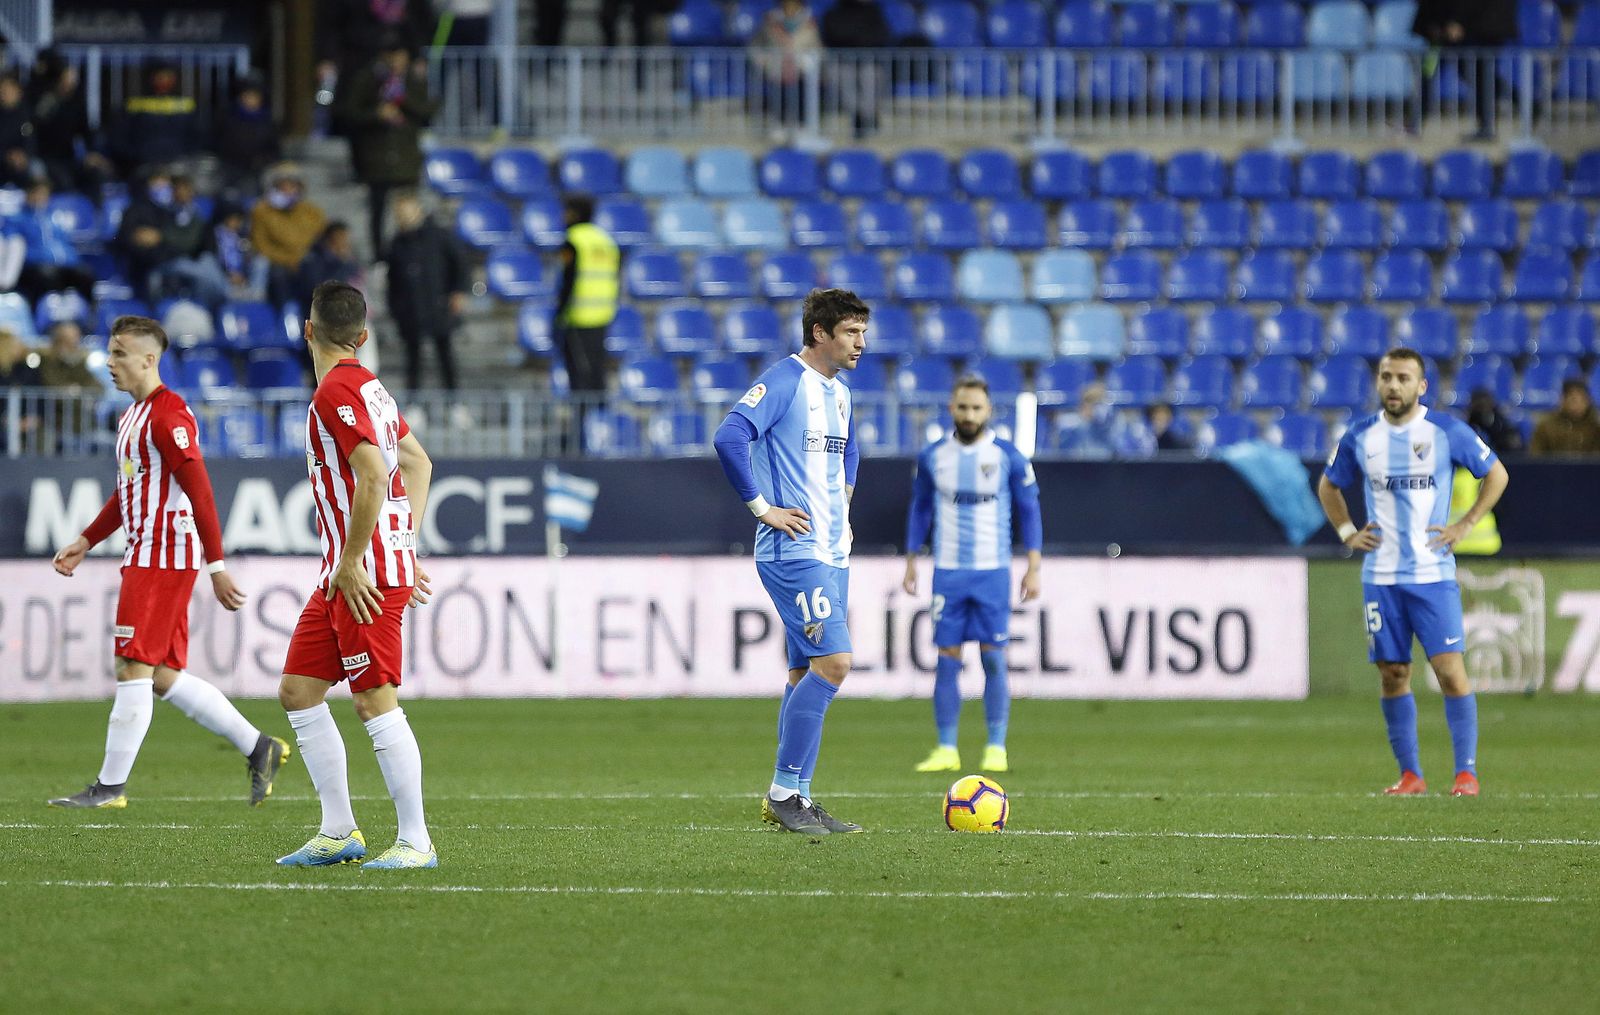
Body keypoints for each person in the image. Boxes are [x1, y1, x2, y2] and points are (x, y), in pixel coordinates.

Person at [45, 315, 291, 809]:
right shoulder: (131, 416)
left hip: (161, 555)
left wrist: (216, 565)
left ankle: (110, 788)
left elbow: (199, 489)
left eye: (118, 354)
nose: (110, 363)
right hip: (145, 552)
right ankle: (259, 746)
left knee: (130, 664)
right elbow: (128, 492)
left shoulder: (169, 414)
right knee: (158, 675)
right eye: (110, 353)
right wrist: (87, 539)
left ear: (148, 360)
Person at [275, 280, 438, 869]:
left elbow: (373, 477)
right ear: (363, 337)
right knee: (298, 689)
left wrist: (353, 559)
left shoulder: (335, 393)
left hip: (359, 573)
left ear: (308, 331)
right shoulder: (373, 389)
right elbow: (418, 463)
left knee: (374, 700)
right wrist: (406, 541)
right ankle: (339, 831)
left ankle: (417, 841)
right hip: (350, 570)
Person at [1316, 348, 1510, 797]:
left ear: (1421, 386)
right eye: (1386, 377)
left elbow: (1496, 474)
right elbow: (1329, 485)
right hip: (1380, 577)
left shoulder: (1446, 431)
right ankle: (1411, 776)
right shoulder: (1361, 435)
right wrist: (1347, 530)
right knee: (1392, 674)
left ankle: (1466, 773)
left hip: (1432, 575)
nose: (1393, 385)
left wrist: (1464, 523)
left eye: (1403, 378)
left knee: (1449, 672)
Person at [712, 287, 868, 837]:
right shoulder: (784, 381)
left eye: (863, 333)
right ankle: (783, 792)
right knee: (836, 664)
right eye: (851, 333)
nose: (861, 344)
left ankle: (797, 794)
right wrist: (762, 508)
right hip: (793, 549)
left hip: (832, 550)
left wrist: (843, 499)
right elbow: (730, 436)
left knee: (805, 670)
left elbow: (850, 448)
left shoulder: (840, 392)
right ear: (819, 333)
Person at [902, 376, 1043, 774]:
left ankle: (996, 746)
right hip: (948, 572)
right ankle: (947, 748)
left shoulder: (1008, 457)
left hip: (992, 573)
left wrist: (1033, 566)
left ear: (988, 411)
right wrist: (912, 558)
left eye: (976, 408)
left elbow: (1030, 511)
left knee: (993, 658)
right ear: (951, 409)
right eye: (962, 407)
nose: (969, 415)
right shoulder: (933, 456)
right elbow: (921, 508)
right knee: (947, 659)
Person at [336, 36, 437, 257]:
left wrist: (404, 100)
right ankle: (379, 255)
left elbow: (428, 111)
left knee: (408, 209)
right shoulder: (367, 79)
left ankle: (410, 251)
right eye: (392, 56)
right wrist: (376, 114)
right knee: (378, 211)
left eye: (401, 56)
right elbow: (349, 112)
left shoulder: (413, 80)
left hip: (406, 158)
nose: (396, 61)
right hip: (376, 159)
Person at [385, 192, 468, 393]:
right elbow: (392, 279)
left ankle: (454, 403)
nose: (403, 217)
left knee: (445, 355)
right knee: (413, 358)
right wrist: (396, 308)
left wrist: (458, 291)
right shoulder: (397, 243)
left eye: (406, 212)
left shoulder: (439, 236)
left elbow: (460, 263)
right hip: (410, 310)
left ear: (418, 210)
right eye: (399, 213)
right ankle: (414, 404)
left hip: (439, 306)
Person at [555, 194, 620, 447]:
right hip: (602, 317)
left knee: (580, 381)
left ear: (574, 214)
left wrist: (559, 316)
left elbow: (567, 283)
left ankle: (579, 437)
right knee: (596, 376)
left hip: (579, 319)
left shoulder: (573, 241)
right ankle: (595, 431)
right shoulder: (606, 242)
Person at [1413, 0, 1518, 142]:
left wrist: (1457, 21)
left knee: (1481, 75)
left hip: (1481, 25)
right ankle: (1415, 121)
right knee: (1432, 71)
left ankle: (1490, 124)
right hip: (1444, 28)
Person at [252, 162, 328, 308]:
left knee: (315, 271)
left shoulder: (312, 212)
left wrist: (298, 259)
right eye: (282, 185)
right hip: (277, 263)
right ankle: (282, 319)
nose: (287, 190)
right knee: (278, 275)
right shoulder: (261, 212)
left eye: (292, 185)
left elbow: (320, 241)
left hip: (304, 262)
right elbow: (261, 245)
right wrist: (288, 260)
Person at [12, 176, 97, 305]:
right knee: (47, 276)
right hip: (34, 268)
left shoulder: (53, 219)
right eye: (36, 193)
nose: (40, 197)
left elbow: (65, 244)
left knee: (84, 274)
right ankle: (47, 316)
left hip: (62, 266)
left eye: (44, 193)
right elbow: (15, 248)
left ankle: (89, 315)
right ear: (27, 194)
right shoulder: (17, 219)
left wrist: (70, 262)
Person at [818, 0, 891, 138]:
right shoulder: (833, 13)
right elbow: (832, 35)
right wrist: (857, 39)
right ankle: (859, 117)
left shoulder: (873, 12)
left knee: (871, 79)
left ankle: (867, 118)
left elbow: (881, 35)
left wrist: (855, 40)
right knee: (841, 79)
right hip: (843, 61)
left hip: (869, 60)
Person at [753, 0, 821, 137]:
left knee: (801, 95)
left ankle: (801, 125)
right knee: (778, 96)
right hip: (777, 67)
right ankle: (778, 125)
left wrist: (811, 61)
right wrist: (763, 61)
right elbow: (755, 46)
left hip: (801, 68)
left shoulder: (809, 23)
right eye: (787, 4)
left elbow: (817, 47)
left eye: (794, 4)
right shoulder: (770, 22)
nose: (790, 7)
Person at [212, 72, 281, 199]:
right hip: (230, 168)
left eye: (254, 96)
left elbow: (275, 149)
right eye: (247, 95)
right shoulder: (228, 118)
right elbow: (216, 142)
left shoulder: (267, 121)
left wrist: (262, 160)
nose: (250, 100)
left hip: (256, 171)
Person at [37, 320, 102, 452]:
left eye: (76, 337)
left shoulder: (79, 361)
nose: (75, 341)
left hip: (85, 424)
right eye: (70, 338)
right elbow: (53, 388)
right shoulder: (47, 360)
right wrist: (80, 396)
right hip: (56, 423)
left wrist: (77, 392)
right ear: (60, 338)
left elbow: (98, 387)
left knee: (111, 442)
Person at [1529, 379, 1600, 457]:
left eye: (1582, 400)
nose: (1578, 405)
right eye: (1573, 400)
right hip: (1553, 469)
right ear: (1563, 400)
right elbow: (1535, 458)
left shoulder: (1595, 428)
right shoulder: (1546, 427)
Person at [1465, 387, 1523, 455]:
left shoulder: (1501, 422)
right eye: (1480, 406)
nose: (1483, 410)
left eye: (1485, 405)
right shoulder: (1470, 425)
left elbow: (1514, 443)